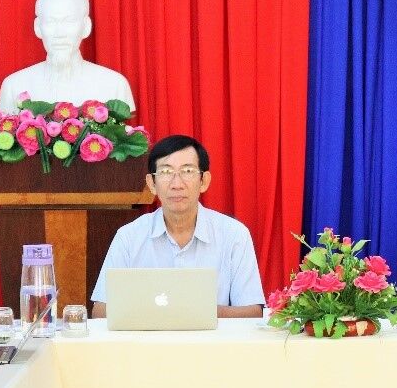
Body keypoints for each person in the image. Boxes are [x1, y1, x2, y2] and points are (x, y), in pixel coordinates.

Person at [90, 135, 265, 318]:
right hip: (149, 338)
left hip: (211, 337)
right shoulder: (129, 236)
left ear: (204, 181)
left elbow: (252, 312)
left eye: (187, 171)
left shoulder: (234, 234)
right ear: (151, 183)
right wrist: (171, 315)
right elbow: (100, 311)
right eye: (166, 172)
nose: (177, 184)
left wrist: (195, 314)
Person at [0, 0, 135, 112]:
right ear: (38, 27)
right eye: (50, 21)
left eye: (69, 21)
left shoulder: (114, 85)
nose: (59, 33)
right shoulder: (14, 86)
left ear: (86, 26)